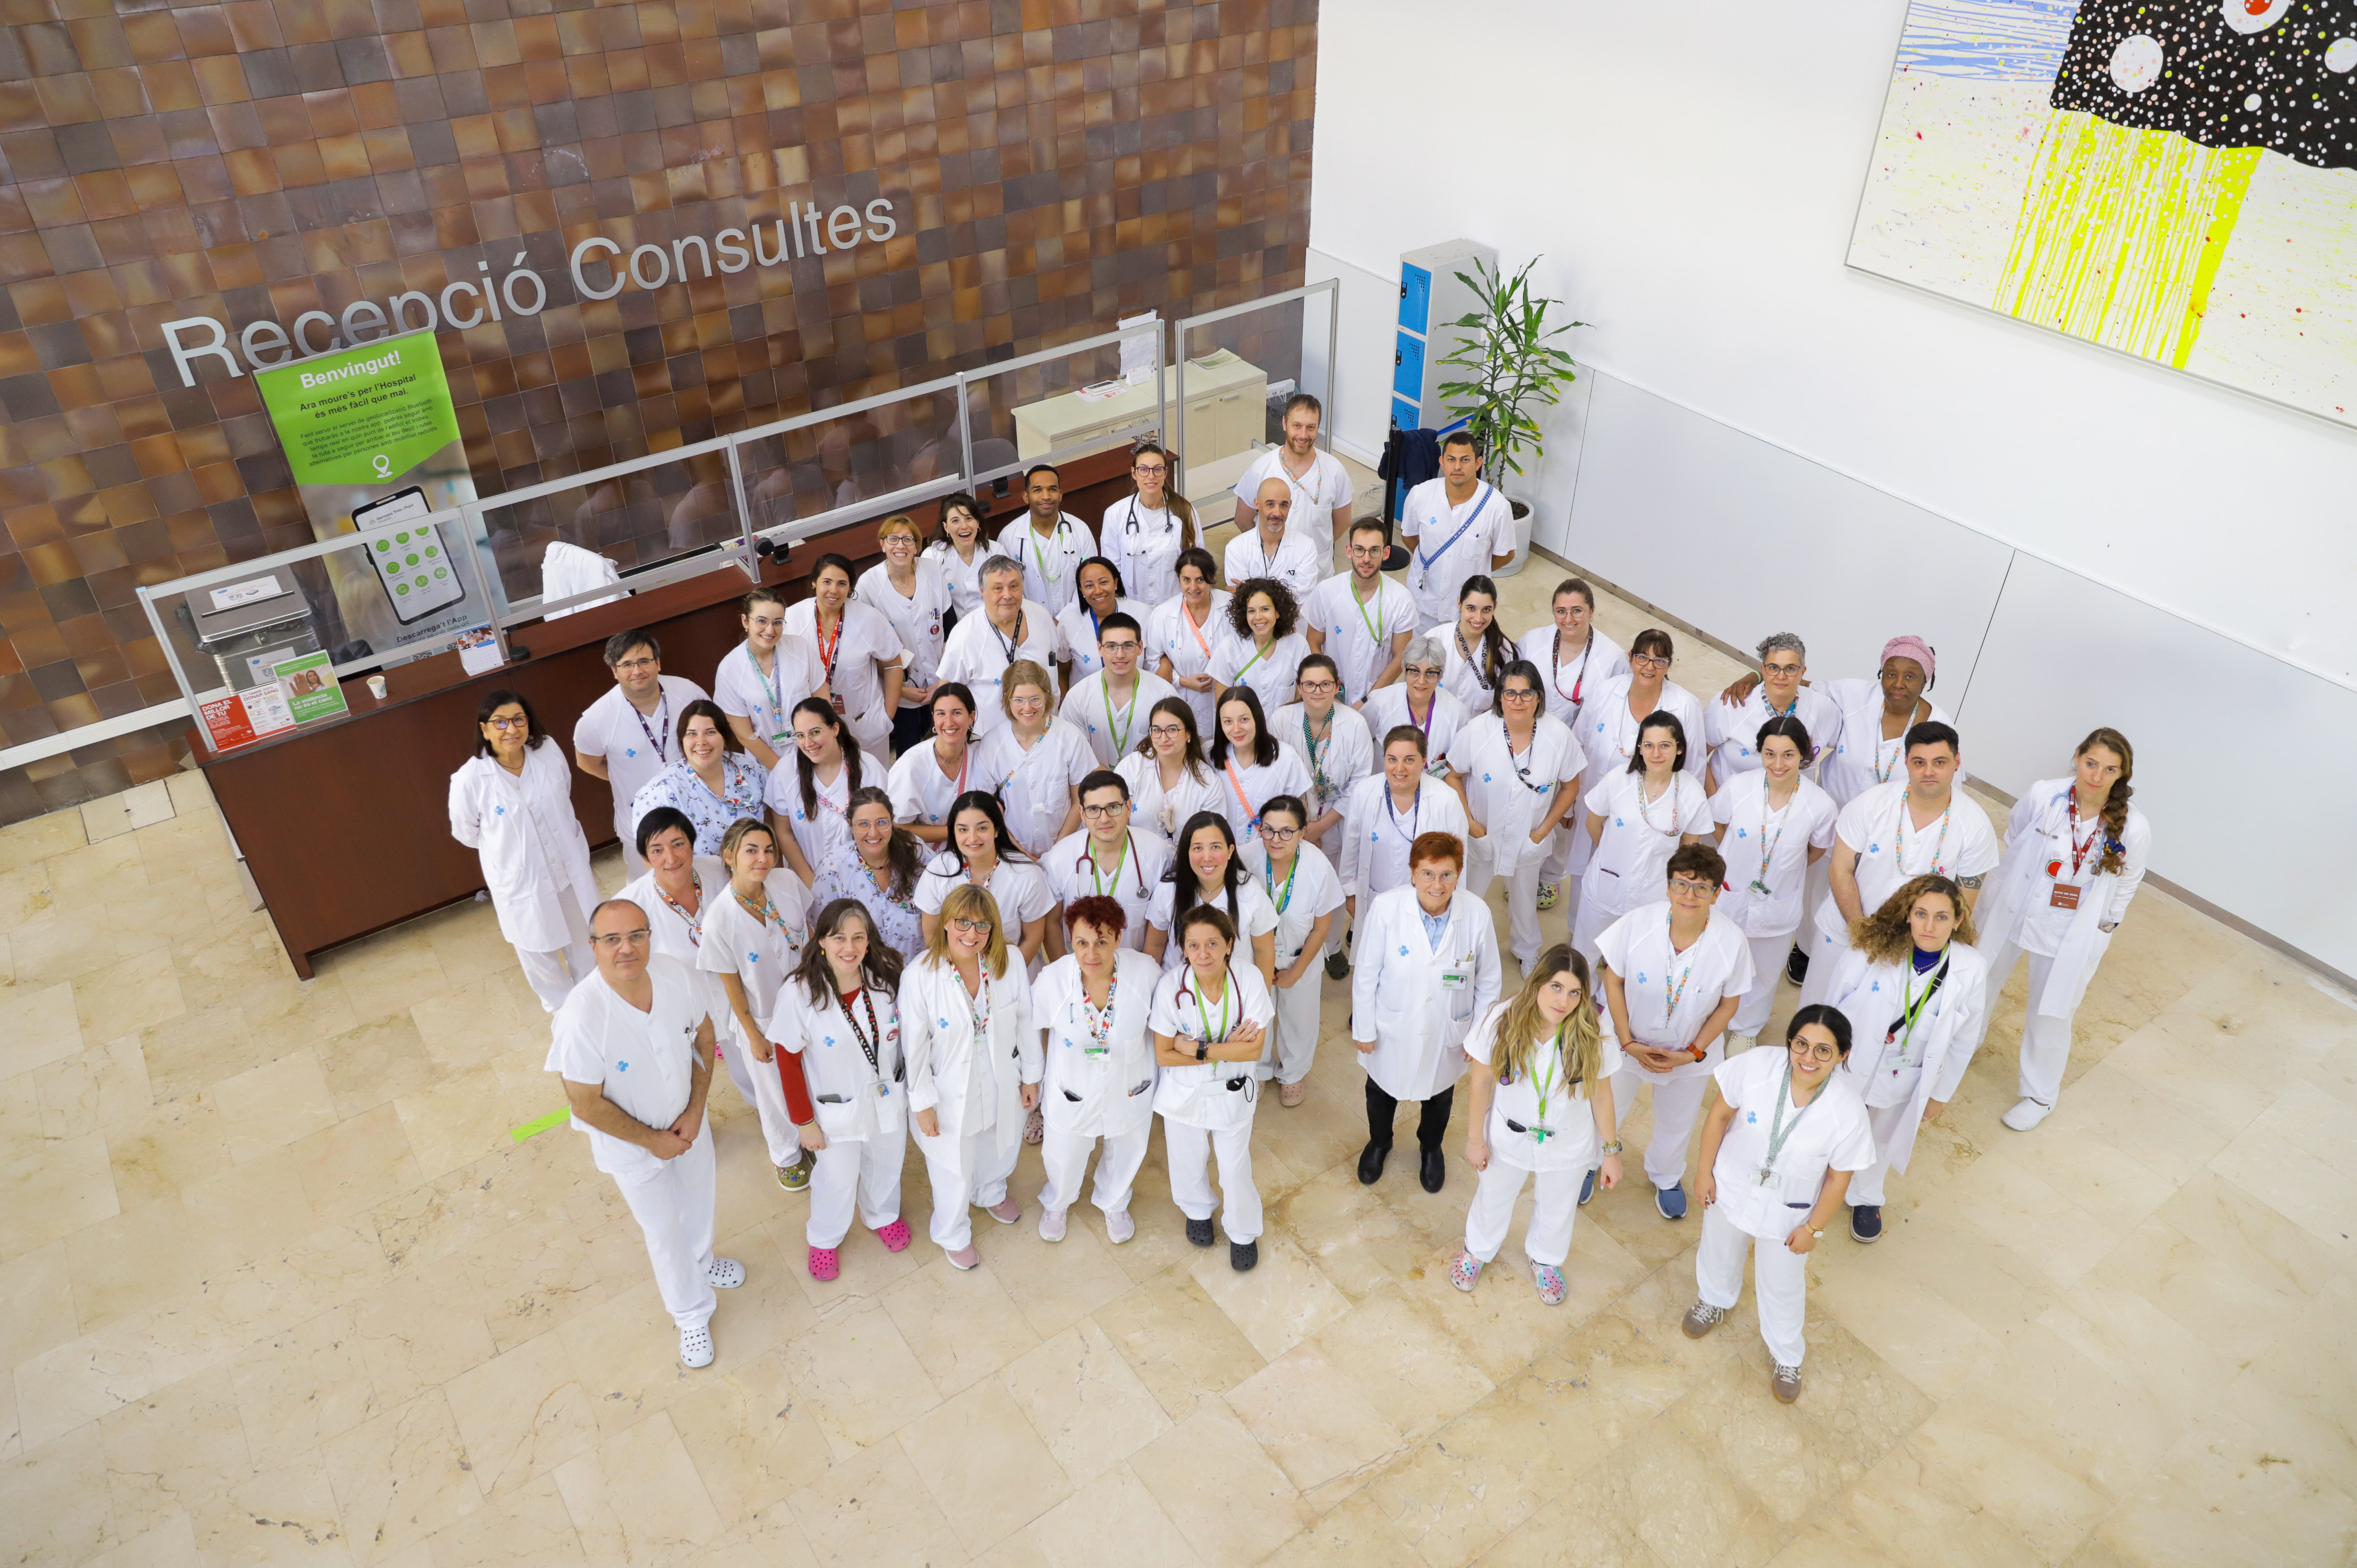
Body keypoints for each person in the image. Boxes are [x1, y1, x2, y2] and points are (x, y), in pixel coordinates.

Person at [547, 898, 742, 1370]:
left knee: (699, 1199)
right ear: (593, 946)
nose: (627, 948)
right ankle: (690, 1313)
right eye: (612, 939)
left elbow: (704, 1036)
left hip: (688, 1126)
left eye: (637, 935)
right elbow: (584, 1102)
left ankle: (702, 1261)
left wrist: (696, 1111)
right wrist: (655, 1143)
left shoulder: (675, 975)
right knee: (663, 1230)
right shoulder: (580, 1017)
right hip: (632, 1151)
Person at [1681, 1006, 1875, 1404]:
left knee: (1782, 1284)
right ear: (1789, 1042)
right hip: (1731, 1185)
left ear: (1843, 1055)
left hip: (1790, 1213)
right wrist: (1703, 1173)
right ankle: (1713, 1299)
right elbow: (1719, 1116)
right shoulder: (1756, 1066)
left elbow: (1839, 1178)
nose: (1808, 1057)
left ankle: (1787, 1355)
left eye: (1823, 1050)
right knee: (1718, 1248)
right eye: (1801, 1044)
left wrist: (1813, 1229)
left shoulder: (1847, 1111)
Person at [1972, 728, 2151, 1133]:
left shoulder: (2134, 827)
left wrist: (2107, 924)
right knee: (1979, 980)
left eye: (2110, 770)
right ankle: (1962, 1045)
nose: (2096, 776)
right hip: (2016, 906)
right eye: (2091, 764)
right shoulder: (2045, 794)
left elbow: (2129, 879)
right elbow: (2016, 833)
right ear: (2077, 757)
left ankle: (2039, 1096)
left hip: (2070, 929)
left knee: (2051, 1011)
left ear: (2122, 775)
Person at [1455, 945, 1624, 1305]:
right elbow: (1481, 1083)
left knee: (1558, 1206)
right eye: (1556, 987)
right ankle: (1477, 1250)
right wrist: (1474, 1139)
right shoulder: (1501, 1019)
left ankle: (1545, 1260)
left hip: (1569, 1141)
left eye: (1575, 992)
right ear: (1537, 983)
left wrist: (1610, 1152)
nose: (1564, 1001)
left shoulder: (1595, 1031)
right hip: (1509, 1135)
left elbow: (1602, 1096)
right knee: (1494, 1196)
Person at [1823, 875, 1988, 1242]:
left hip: (1906, 1072)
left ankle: (1866, 1197)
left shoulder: (1971, 968)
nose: (1930, 926)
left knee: (1882, 1137)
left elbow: (1964, 1040)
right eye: (1921, 914)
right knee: (1832, 1124)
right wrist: (1820, 1058)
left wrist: (1940, 1095)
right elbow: (1832, 1005)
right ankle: (1815, 1182)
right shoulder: (1871, 947)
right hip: (1851, 1061)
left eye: (1942, 917)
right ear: (1908, 914)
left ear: (1958, 920)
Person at [1598, 843, 1754, 1219]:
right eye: (1682, 884)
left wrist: (1693, 1053)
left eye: (1702, 888)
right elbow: (1613, 980)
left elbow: (1728, 1005)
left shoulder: (1732, 942)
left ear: (1716, 894)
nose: (1690, 896)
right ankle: (1593, 1161)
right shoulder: (1637, 923)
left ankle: (1666, 1175)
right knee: (1607, 1105)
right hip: (1625, 1043)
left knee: (1678, 1121)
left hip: (1689, 1054)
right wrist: (1626, 1041)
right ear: (1668, 887)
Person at [1801, 721, 1999, 1009]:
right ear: (1907, 762)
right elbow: (1841, 869)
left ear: (1957, 763)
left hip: (1914, 949)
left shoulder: (1975, 826)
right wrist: (1861, 929)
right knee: (1817, 1010)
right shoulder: (1871, 804)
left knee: (1877, 1022)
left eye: (1939, 762)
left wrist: (1920, 948)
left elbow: (1962, 904)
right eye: (1919, 762)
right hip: (1846, 931)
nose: (1929, 771)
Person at [1350, 832, 1501, 1194]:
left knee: (1440, 1096)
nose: (1437, 884)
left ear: (1459, 875)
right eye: (1428, 874)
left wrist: (1478, 1037)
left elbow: (1489, 982)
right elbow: (1366, 974)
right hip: (1392, 1026)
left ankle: (1431, 1148)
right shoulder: (1387, 908)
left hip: (1448, 1030)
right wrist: (1365, 1029)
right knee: (1380, 1092)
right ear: (1413, 873)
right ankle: (1379, 1142)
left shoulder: (1476, 914)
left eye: (1447, 875)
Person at [773, 898, 914, 1279]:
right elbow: (787, 1063)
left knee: (887, 1162)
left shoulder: (886, 978)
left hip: (887, 1098)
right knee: (837, 1176)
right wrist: (804, 1122)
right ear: (821, 940)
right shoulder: (799, 993)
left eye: (858, 937)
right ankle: (824, 1237)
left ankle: (882, 1214)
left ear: (869, 941)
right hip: (835, 1110)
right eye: (839, 938)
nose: (849, 948)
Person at [901, 883, 1040, 1269]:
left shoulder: (1009, 961)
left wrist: (1031, 1076)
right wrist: (922, 1104)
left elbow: (1026, 1019)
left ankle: (990, 1190)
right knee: (953, 1166)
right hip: (948, 1089)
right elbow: (914, 1047)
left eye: (982, 925)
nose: (972, 933)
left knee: (999, 1141)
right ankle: (952, 1231)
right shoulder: (920, 976)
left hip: (1001, 1077)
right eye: (962, 922)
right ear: (946, 922)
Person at [450, 689, 600, 1013]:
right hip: (521, 882)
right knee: (540, 955)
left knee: (586, 945)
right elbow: (466, 832)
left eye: (519, 719)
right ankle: (565, 1017)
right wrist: (513, 851)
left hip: (568, 870)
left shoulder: (548, 751)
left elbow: (563, 791)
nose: (511, 729)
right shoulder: (469, 780)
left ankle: (597, 1008)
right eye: (500, 722)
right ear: (484, 729)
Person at [1150, 905, 1278, 1271]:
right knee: (1186, 1160)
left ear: (1229, 945)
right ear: (1183, 949)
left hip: (1232, 1093)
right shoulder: (1171, 987)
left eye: (1212, 944)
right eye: (1193, 945)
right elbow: (1163, 1054)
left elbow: (1254, 1050)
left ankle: (1242, 1232)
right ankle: (1197, 1210)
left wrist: (1197, 1048)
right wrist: (1226, 1049)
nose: (1203, 954)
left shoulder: (1248, 979)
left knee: (1235, 1167)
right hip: (1185, 1094)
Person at [696, 817, 818, 1192]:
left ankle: (816, 1137)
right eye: (751, 851)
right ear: (729, 857)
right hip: (762, 1018)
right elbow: (731, 984)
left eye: (768, 850)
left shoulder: (786, 883)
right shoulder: (720, 919)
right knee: (773, 1090)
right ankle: (787, 1155)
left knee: (814, 1074)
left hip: (808, 1003)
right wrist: (753, 1035)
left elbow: (808, 933)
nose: (763, 859)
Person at [1032, 896, 1163, 1244]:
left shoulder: (1146, 973)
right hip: (1071, 1088)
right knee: (1064, 1152)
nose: (1091, 954)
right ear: (1071, 941)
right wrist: (1031, 1078)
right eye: (1082, 943)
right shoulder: (1052, 981)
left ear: (1119, 939)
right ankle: (1058, 1202)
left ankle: (1114, 1201)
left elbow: (1165, 1025)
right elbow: (1029, 1029)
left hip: (1130, 1084)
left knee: (1127, 1147)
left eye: (1102, 942)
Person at [1709, 717, 1838, 1049]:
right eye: (1770, 754)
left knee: (1764, 971)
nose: (1778, 764)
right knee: (1717, 958)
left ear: (1804, 756)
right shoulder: (1738, 787)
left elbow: (1816, 850)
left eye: (1788, 755)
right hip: (1731, 893)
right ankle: (1707, 1017)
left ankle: (1746, 1029)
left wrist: (1785, 867)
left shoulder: (1820, 805)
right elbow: (1719, 825)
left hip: (1779, 901)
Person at [1448, 660, 1584, 974]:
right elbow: (1453, 775)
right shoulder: (1478, 730)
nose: (1517, 701)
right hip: (1482, 833)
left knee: (1524, 900)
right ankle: (1460, 948)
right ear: (1500, 697)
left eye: (1526, 693)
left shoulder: (1558, 735)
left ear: (1539, 697)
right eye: (1510, 693)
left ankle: (1527, 951)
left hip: (1529, 836)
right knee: (1467, 897)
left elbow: (1571, 787)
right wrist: (1472, 825)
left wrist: (1542, 831)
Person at [1572, 711, 1712, 971]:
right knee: (1585, 954)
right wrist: (1613, 853)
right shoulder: (1619, 779)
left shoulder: (1691, 792)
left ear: (1680, 749)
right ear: (1640, 748)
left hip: (1653, 892)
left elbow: (1689, 850)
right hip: (1606, 884)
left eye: (1665, 745)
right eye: (1648, 745)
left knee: (1635, 964)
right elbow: (1593, 822)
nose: (1656, 753)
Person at [1520, 578, 1627, 915]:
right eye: (1561, 611)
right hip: (1530, 740)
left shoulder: (1612, 657)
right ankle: (1522, 872)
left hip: (1580, 750)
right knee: (1527, 806)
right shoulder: (1533, 642)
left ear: (1592, 611)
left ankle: (1551, 876)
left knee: (1567, 815)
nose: (1569, 619)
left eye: (1577, 610)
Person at [1334, 726, 1471, 974]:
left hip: (1428, 899)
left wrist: (1450, 904)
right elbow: (1351, 846)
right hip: (1375, 897)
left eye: (1409, 760)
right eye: (1392, 759)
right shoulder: (1365, 791)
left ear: (1424, 761)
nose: (1399, 768)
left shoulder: (1446, 799)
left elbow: (1459, 860)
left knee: (1417, 966)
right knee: (1375, 963)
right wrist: (1350, 895)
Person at [573, 629, 709, 877]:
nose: (637, 671)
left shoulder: (688, 694)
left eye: (644, 661)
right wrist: (624, 780)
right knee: (651, 890)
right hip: (641, 822)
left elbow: (713, 737)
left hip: (700, 811)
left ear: (658, 663)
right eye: (627, 664)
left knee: (710, 879)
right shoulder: (596, 718)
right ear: (614, 671)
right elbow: (587, 762)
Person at [1241, 796, 1342, 1106]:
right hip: (1255, 958)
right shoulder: (1245, 858)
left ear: (1302, 832)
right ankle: (1258, 1069)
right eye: (1268, 829)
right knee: (1256, 1015)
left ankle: (1294, 1073)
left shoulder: (1318, 867)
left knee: (1300, 1019)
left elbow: (1321, 929)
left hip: (1301, 958)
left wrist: (1295, 973)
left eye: (1287, 832)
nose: (1276, 839)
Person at [784, 553, 907, 760]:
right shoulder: (792, 620)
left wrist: (888, 715)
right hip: (812, 730)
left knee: (871, 778)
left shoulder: (869, 619)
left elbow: (894, 663)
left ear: (850, 588)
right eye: (827, 582)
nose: (834, 590)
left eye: (842, 583)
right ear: (814, 583)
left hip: (863, 724)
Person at [916, 790, 1056, 969]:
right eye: (963, 829)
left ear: (997, 829)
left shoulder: (1027, 874)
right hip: (954, 975)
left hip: (1013, 971)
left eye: (982, 828)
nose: (972, 838)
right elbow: (932, 934)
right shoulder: (938, 871)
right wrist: (953, 978)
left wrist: (1008, 978)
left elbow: (1033, 938)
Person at [856, 513, 954, 755]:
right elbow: (865, 652)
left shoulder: (931, 570)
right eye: (893, 539)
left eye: (908, 539)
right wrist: (899, 689)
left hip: (940, 680)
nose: (900, 546)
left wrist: (942, 679)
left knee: (947, 744)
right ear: (882, 544)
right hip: (898, 689)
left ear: (917, 546)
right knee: (910, 752)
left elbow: (950, 629)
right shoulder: (868, 585)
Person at [1146, 810, 1280, 987]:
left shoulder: (1249, 890)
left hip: (1234, 992)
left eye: (1216, 847)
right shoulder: (1168, 890)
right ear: (1187, 852)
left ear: (1230, 851)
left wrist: (1263, 996)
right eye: (1198, 848)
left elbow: (1264, 950)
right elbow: (1154, 947)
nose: (1207, 858)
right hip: (1178, 992)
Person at [974, 659, 1091, 859]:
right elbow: (987, 808)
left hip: (1068, 849)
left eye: (1035, 699)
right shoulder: (991, 744)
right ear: (1007, 699)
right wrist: (1022, 855)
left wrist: (1057, 853)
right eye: (1018, 700)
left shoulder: (1070, 737)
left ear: (1047, 695)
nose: (1027, 708)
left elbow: (1080, 800)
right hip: (1013, 852)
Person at [1045, 770, 1171, 955]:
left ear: (1128, 808)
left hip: (1136, 967)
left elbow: (1162, 927)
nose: (1104, 819)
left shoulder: (1159, 854)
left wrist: (1146, 970)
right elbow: (1051, 923)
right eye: (1093, 810)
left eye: (1113, 807)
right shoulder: (1058, 859)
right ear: (1082, 814)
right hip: (1078, 967)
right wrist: (1063, 969)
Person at [1399, 431, 1516, 630]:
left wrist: (1473, 568)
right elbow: (1409, 536)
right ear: (1442, 462)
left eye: (1465, 460)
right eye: (1451, 460)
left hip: (1466, 611)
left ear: (1478, 463)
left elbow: (1505, 555)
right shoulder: (1420, 494)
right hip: (1422, 603)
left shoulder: (1497, 506)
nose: (1457, 467)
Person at [628, 699, 772, 859]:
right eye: (692, 734)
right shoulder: (662, 791)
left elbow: (769, 822)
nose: (701, 742)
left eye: (710, 732)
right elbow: (650, 854)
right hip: (697, 875)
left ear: (724, 736)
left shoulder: (747, 767)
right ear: (681, 740)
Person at [767, 698, 887, 887]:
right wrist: (813, 884)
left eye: (815, 732)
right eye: (800, 735)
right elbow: (784, 832)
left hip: (865, 883)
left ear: (835, 729)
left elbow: (886, 827)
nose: (808, 743)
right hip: (808, 884)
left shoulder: (868, 767)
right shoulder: (786, 771)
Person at [937, 555, 1058, 739]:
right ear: (982, 592)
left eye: (1014, 586)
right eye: (998, 588)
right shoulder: (965, 634)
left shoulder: (1041, 616)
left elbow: (1057, 667)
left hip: (1046, 734)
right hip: (990, 743)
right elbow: (946, 695)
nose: (1007, 595)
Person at [1270, 652, 1374, 859]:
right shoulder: (1280, 720)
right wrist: (1300, 827)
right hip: (1289, 826)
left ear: (1337, 687)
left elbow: (1360, 783)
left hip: (1338, 825)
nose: (1317, 691)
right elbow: (1274, 778)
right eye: (1310, 685)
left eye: (1325, 685)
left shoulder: (1355, 724)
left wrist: (1321, 827)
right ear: (1299, 688)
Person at [1704, 632, 1837, 792]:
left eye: (1791, 669)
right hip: (1731, 803)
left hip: (1796, 804)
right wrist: (1715, 802)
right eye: (1773, 668)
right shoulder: (1731, 705)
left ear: (1803, 672)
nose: (1781, 676)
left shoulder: (1824, 709)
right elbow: (1698, 755)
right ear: (1763, 670)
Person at [712, 585, 826, 773]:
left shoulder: (800, 648)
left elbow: (824, 705)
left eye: (778, 622)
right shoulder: (730, 669)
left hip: (815, 751)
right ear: (745, 621)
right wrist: (785, 772)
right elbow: (744, 735)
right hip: (768, 766)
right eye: (762, 621)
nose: (770, 630)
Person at [1304, 518, 1415, 707]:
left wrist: (1367, 701)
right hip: (1332, 696)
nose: (1366, 559)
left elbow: (1400, 658)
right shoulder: (1326, 592)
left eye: (1374, 550)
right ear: (1349, 551)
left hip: (1380, 700)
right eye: (1359, 550)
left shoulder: (1401, 599)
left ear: (1386, 553)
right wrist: (1328, 687)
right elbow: (1313, 642)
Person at [1579, 628, 1708, 788]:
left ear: (1668, 665)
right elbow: (1578, 744)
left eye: (1659, 661)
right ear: (1631, 658)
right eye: (1642, 658)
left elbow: (1694, 770)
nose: (1650, 667)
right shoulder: (1604, 691)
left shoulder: (1687, 706)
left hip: (1650, 801)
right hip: (1590, 793)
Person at [812, 786, 928, 961]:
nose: (873, 833)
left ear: (892, 822)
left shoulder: (915, 851)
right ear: (851, 826)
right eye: (864, 824)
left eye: (881, 822)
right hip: (860, 973)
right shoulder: (833, 868)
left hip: (916, 970)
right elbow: (822, 932)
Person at [1230, 391, 1355, 548]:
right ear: (1284, 423)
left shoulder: (1335, 470)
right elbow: (1242, 520)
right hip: (1271, 563)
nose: (1303, 435)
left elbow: (1343, 522)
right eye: (1297, 426)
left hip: (1318, 564)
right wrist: (1265, 549)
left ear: (1318, 428)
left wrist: (1320, 550)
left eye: (1310, 427)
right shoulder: (1260, 469)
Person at [1057, 611, 1176, 769]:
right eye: (1111, 646)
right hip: (1095, 781)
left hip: (1151, 781)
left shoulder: (1164, 694)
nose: (1120, 655)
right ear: (1100, 648)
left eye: (1128, 646)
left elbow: (1175, 749)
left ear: (1140, 647)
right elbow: (1072, 753)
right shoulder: (1077, 697)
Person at [1206, 685, 1313, 840]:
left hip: (1269, 851)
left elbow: (1301, 816)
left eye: (1244, 720)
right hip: (1222, 852)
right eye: (1228, 721)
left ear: (1257, 717)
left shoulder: (1286, 758)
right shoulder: (1209, 755)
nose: (1236, 729)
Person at [1100, 441, 1197, 608]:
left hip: (1175, 607)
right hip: (1131, 607)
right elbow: (1110, 570)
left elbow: (1197, 564)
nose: (1151, 476)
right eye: (1144, 469)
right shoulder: (1115, 514)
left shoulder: (1185, 511)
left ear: (1165, 473)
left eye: (1157, 469)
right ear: (1134, 473)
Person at [1149, 547, 1233, 738]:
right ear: (1179, 579)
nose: (1193, 588)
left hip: (1226, 701)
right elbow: (1152, 664)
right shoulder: (1163, 615)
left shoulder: (1232, 606)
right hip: (1183, 702)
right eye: (1186, 580)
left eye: (1200, 580)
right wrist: (1183, 681)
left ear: (1212, 578)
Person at [1117, 697, 1226, 841]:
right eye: (1157, 730)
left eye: (1172, 730)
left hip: (1187, 856)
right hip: (1136, 853)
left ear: (1188, 733)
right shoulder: (1132, 767)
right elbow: (1116, 822)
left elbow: (1212, 837)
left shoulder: (1207, 781)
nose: (1164, 738)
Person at [1362, 637, 1470, 777]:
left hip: (1434, 789)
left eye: (1430, 673)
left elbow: (1458, 767)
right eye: (1414, 671)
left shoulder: (1458, 713)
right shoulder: (1379, 703)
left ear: (1440, 675)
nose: (1421, 681)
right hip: (1385, 786)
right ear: (1403, 669)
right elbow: (1360, 743)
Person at [1208, 577, 1312, 722]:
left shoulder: (1297, 644)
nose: (1258, 617)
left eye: (1265, 609)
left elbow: (1302, 699)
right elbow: (1222, 707)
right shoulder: (1229, 647)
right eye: (1251, 611)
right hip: (1242, 732)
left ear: (1277, 612)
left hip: (1285, 732)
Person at [998, 464, 1097, 617]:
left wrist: (1066, 618)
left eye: (1052, 489)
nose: (1046, 496)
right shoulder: (1008, 537)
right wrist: (1040, 620)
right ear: (1026, 497)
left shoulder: (1081, 530)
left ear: (1060, 494)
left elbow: (1092, 580)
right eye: (1038, 490)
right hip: (1029, 621)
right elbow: (1006, 588)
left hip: (1077, 619)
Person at [887, 684, 978, 847]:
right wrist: (960, 831)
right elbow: (899, 828)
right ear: (934, 718)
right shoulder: (912, 764)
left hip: (978, 849)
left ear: (972, 717)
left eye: (957, 713)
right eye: (941, 713)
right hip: (930, 857)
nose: (949, 722)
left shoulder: (982, 751)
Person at [1053, 556, 1151, 689]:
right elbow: (1062, 669)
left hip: (1135, 695)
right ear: (1081, 590)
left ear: (1115, 583)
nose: (1098, 591)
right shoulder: (1069, 622)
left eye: (1104, 582)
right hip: (1086, 698)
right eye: (1089, 586)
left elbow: (1155, 659)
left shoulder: (1142, 613)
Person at [1222, 478, 1325, 600]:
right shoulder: (1236, 548)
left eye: (1283, 505)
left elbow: (1302, 598)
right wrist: (1284, 595)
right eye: (1270, 504)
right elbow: (1241, 600)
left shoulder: (1306, 547)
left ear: (1290, 505)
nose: (1277, 513)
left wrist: (1250, 592)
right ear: (1257, 504)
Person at [1440, 576, 1512, 715]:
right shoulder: (1435, 640)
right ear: (1459, 604)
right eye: (1471, 608)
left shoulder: (1503, 651)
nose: (1478, 618)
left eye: (1486, 610)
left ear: (1495, 607)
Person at [922, 490, 992, 629]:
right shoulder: (932, 557)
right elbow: (927, 603)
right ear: (946, 527)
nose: (964, 526)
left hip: (991, 628)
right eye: (955, 521)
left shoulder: (995, 552)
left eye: (969, 518)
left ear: (977, 523)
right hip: (951, 632)